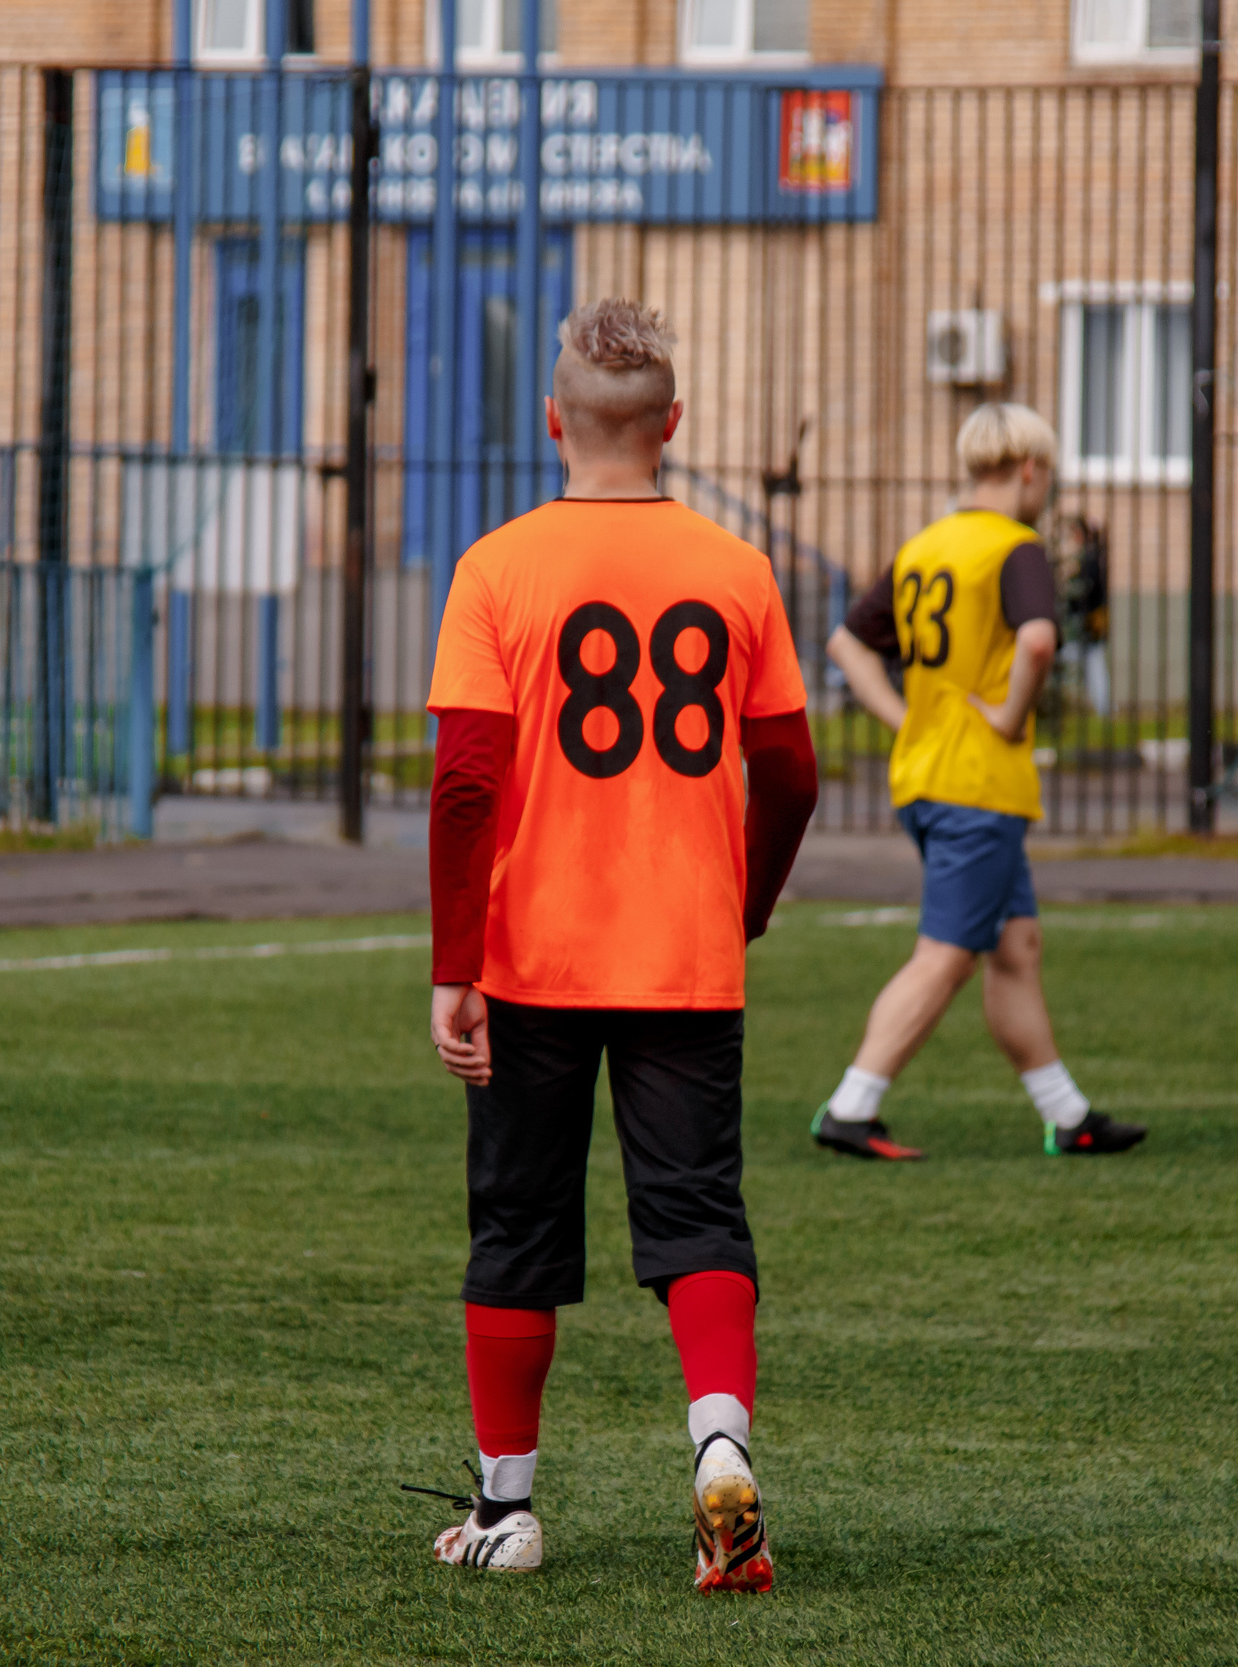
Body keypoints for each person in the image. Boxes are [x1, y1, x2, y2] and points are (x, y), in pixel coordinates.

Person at [421, 298, 819, 1593]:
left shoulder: (497, 566)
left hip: (531, 956)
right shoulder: (739, 568)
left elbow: (467, 782)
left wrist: (454, 958)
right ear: (674, 427)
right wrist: (742, 903)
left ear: (554, 422)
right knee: (698, 1211)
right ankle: (718, 1447)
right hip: (683, 956)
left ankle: (507, 1507)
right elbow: (795, 774)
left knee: (518, 1222)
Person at [812, 404, 1146, 1162]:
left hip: (927, 777)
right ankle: (851, 1105)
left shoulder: (928, 544)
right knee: (948, 953)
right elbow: (1037, 639)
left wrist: (904, 717)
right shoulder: (1015, 547)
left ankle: (1068, 1115)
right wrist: (1005, 716)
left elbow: (845, 642)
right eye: (1049, 475)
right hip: (977, 785)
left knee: (1014, 946)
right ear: (1030, 469)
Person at [1060, 517, 1113, 716]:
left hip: (1090, 624)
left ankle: (1103, 709)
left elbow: (1086, 591)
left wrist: (1071, 593)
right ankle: (1101, 709)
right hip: (1087, 626)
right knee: (1090, 665)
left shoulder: (1090, 558)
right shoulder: (1091, 556)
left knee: (1093, 664)